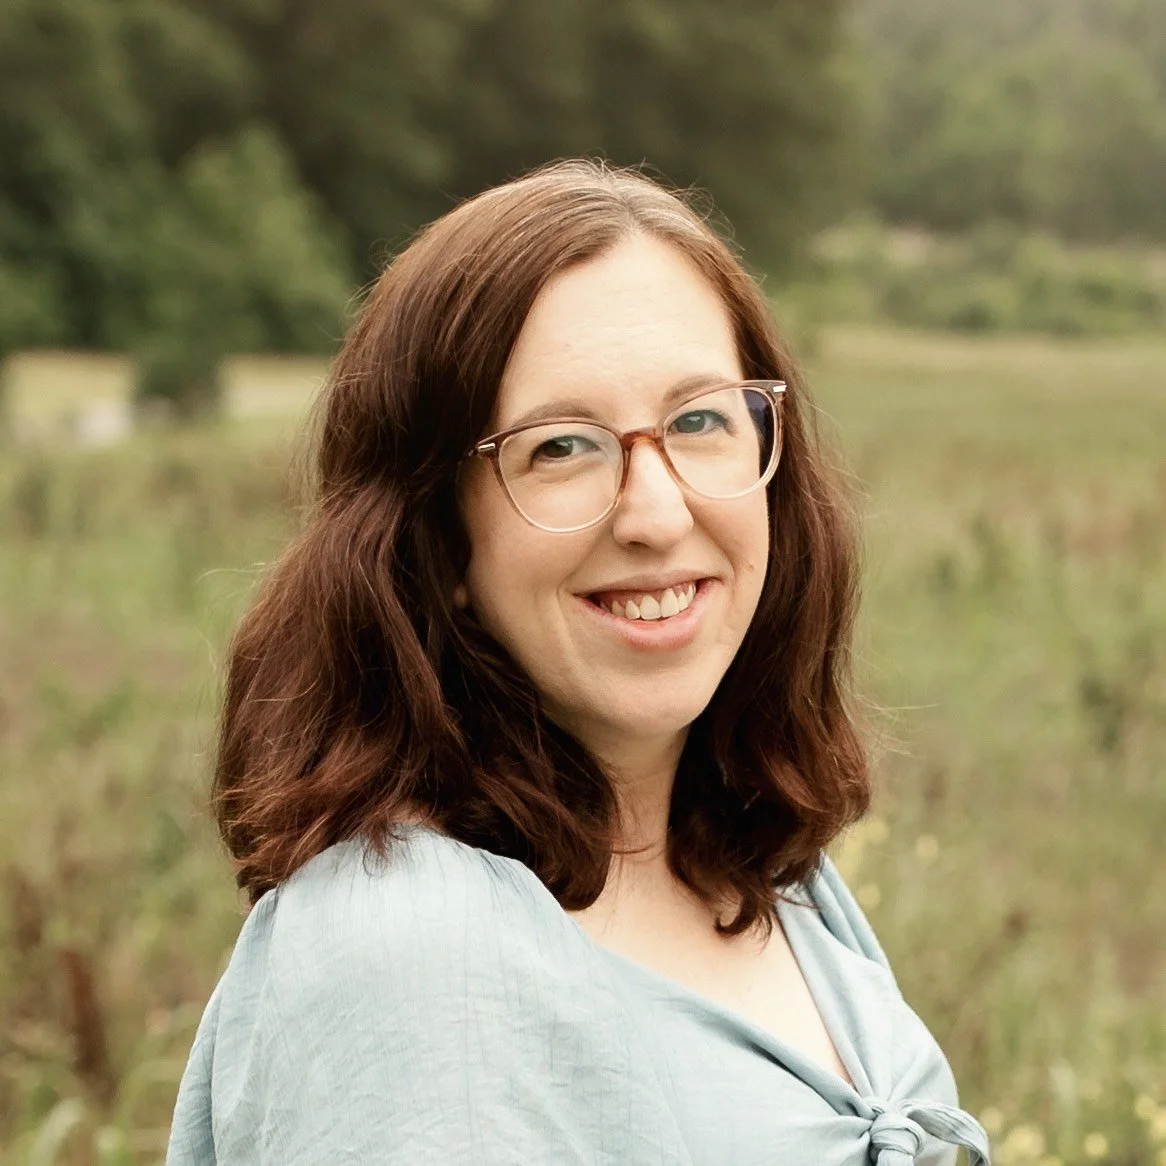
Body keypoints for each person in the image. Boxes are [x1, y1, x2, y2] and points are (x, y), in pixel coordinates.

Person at [166, 160, 991, 1165]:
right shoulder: (412, 959)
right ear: (434, 537)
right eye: (561, 446)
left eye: (699, 421)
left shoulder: (770, 868)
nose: (654, 513)